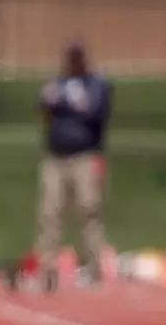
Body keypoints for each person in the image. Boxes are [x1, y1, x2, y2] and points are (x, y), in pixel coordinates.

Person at [35, 41, 110, 290]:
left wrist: (67, 102)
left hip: (84, 156)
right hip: (56, 157)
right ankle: (48, 271)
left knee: (89, 212)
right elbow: (43, 105)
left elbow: (94, 111)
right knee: (49, 213)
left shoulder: (95, 83)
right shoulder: (58, 82)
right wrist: (54, 99)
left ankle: (93, 268)